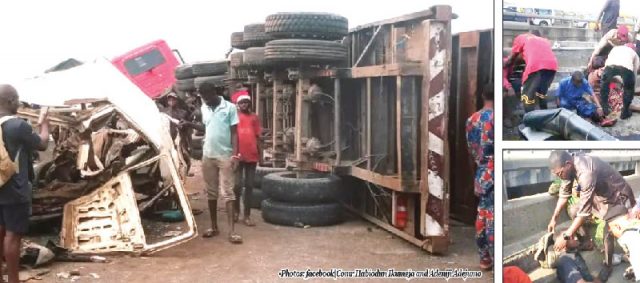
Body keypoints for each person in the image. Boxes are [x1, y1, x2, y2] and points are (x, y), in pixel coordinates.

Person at [548, 150, 636, 281]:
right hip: (600, 197)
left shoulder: (586, 172)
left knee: (608, 229)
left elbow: (584, 212)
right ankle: (586, 242)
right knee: (573, 210)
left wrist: (566, 236)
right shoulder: (568, 169)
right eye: (557, 175)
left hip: (617, 198)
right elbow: (564, 194)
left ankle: (608, 265)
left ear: (567, 164)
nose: (560, 177)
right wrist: (554, 219)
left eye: (560, 173)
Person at [180, 81, 242, 243]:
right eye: (203, 98)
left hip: (225, 155)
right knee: (211, 192)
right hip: (208, 155)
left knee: (228, 192)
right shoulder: (204, 108)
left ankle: (232, 232)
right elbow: (206, 128)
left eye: (207, 97)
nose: (205, 100)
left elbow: (234, 133)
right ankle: (214, 227)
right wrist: (189, 124)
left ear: (214, 92)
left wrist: (235, 155)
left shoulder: (230, 108)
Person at [0, 85, 50, 283]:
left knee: (0, 231)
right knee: (13, 236)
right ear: (11, 101)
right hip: (15, 189)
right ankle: (14, 280)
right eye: (17, 99)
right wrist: (44, 125)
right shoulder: (18, 125)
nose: (19, 103)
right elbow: (43, 144)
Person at [465, 84, 494, 270]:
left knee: (482, 214)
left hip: (483, 172)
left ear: (483, 95)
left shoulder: (471, 120)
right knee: (492, 217)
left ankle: (484, 259)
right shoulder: (498, 118)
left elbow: (471, 149)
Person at [505, 31, 558, 112]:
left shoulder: (520, 37)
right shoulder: (543, 40)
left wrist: (506, 64)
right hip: (552, 66)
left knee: (527, 96)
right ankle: (545, 115)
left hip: (535, 65)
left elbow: (513, 57)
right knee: (541, 93)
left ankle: (530, 120)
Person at [231, 90, 261, 227]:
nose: (244, 105)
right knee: (237, 185)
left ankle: (247, 215)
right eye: (241, 103)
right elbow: (232, 137)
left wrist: (261, 154)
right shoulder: (235, 117)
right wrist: (233, 154)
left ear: (249, 104)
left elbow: (258, 136)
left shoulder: (254, 117)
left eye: (246, 102)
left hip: (252, 155)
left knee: (249, 185)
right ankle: (236, 211)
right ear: (238, 105)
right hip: (238, 155)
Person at [600, 43, 639, 119]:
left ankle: (605, 108)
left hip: (609, 66)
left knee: (604, 87)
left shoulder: (616, 48)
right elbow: (634, 72)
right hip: (626, 68)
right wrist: (631, 87)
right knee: (628, 90)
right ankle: (625, 112)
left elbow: (608, 61)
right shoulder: (635, 54)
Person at [163, 92, 193, 176]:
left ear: (177, 100)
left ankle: (186, 172)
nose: (171, 101)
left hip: (181, 137)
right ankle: (176, 174)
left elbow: (187, 126)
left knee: (185, 155)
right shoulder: (165, 112)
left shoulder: (183, 112)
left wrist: (188, 140)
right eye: (170, 99)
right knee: (172, 155)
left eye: (173, 99)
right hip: (169, 137)